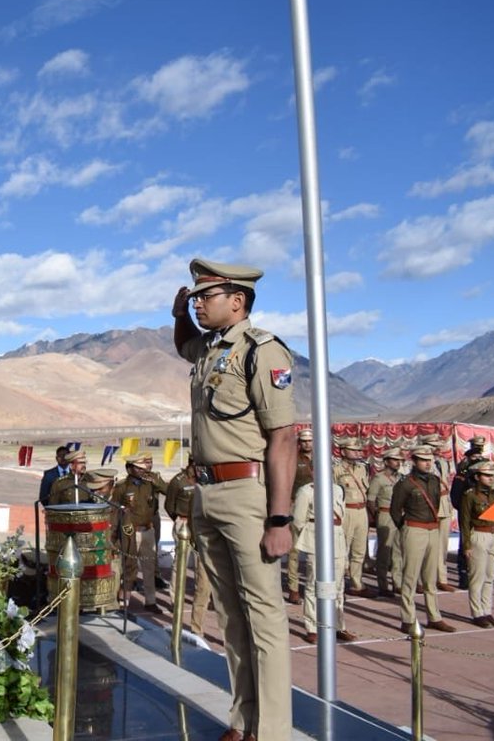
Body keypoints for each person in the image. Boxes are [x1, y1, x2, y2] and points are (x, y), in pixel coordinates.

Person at [173, 258, 295, 741]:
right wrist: (180, 313)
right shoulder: (207, 349)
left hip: (248, 493)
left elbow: (283, 437)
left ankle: (274, 732)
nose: (199, 303)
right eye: (196, 297)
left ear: (237, 301)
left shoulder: (262, 351)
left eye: (206, 297)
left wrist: (279, 518)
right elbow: (183, 345)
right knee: (231, 616)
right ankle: (244, 722)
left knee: (264, 617)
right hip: (208, 492)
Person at [389, 447, 456, 633]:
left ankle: (434, 616)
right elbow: (395, 510)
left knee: (430, 577)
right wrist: (405, 528)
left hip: (432, 529)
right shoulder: (405, 484)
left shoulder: (435, 481)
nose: (427, 463)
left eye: (429, 460)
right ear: (414, 461)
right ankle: (408, 618)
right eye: (423, 460)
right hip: (414, 529)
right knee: (410, 576)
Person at [292, 460, 356, 643]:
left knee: (338, 585)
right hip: (316, 535)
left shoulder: (337, 489)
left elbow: (341, 514)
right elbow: (298, 520)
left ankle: (338, 625)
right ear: (312, 471)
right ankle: (312, 627)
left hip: (336, 536)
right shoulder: (306, 491)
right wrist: (310, 533)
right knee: (314, 585)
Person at [164, 458, 212, 636]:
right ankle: (175, 599)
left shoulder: (206, 479)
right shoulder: (178, 481)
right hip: (184, 524)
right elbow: (169, 505)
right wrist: (179, 518)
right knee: (180, 565)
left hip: (203, 532)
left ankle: (197, 627)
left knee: (204, 581)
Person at [113, 453, 161, 613]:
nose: (142, 471)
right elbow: (114, 512)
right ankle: (123, 603)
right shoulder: (121, 487)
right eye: (138, 468)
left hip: (148, 530)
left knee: (149, 567)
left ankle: (150, 601)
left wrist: (156, 479)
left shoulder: (151, 484)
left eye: (143, 468)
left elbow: (168, 491)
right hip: (130, 532)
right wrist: (113, 538)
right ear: (129, 468)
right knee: (129, 567)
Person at [459, 460, 494, 627]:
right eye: (486, 475)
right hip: (479, 535)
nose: (490, 478)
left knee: (490, 577)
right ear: (477, 476)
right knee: (477, 576)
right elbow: (464, 522)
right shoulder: (470, 495)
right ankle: (477, 613)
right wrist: (467, 545)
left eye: (492, 476)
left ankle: (487, 610)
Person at [366, 448, 407, 597]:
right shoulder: (379, 478)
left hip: (399, 515)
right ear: (386, 461)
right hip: (385, 513)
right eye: (394, 460)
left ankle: (398, 582)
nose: (398, 463)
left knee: (398, 551)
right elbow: (371, 500)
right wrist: (376, 515)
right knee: (384, 551)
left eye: (399, 460)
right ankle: (383, 584)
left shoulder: (401, 478)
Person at [420, 433, 458, 593]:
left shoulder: (443, 462)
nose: (436, 448)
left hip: (443, 504)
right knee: (426, 545)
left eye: (437, 445)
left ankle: (441, 579)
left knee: (442, 545)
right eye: (433, 445)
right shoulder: (420, 465)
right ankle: (424, 579)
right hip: (429, 505)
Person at [334, 439, 371, 596]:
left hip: (361, 510)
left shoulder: (363, 469)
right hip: (346, 510)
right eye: (353, 450)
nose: (357, 453)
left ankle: (357, 583)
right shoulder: (336, 470)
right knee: (343, 549)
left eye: (359, 450)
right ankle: (339, 585)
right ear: (343, 451)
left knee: (359, 550)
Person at [452, 435, 488, 590]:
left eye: (479, 450)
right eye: (475, 451)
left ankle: (481, 573)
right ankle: (464, 574)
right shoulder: (464, 467)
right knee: (465, 542)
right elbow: (457, 493)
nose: (477, 456)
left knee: (484, 543)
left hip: (482, 509)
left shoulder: (486, 466)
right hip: (467, 508)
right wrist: (462, 507)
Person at [286, 428, 314, 604]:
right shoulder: (294, 460)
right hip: (297, 504)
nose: (307, 444)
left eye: (310, 441)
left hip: (316, 506)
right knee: (294, 550)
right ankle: (293, 588)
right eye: (304, 441)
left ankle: (312, 584)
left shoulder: (322, 458)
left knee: (315, 550)